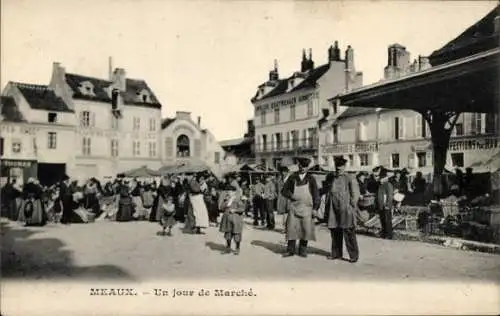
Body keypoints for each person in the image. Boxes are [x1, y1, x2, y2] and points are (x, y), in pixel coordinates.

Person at [281, 158, 320, 258]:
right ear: (298, 166)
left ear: (308, 167)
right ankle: (290, 250)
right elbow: (284, 191)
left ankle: (302, 250)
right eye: (301, 166)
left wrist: (315, 208)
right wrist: (291, 195)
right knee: (291, 228)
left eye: (305, 167)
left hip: (307, 208)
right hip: (294, 207)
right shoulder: (292, 177)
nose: (303, 168)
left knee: (305, 229)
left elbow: (316, 194)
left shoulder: (311, 179)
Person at [326, 157, 360, 262]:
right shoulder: (332, 178)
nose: (338, 170)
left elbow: (355, 194)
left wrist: (351, 207)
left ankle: (353, 255)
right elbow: (329, 192)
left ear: (344, 167)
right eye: (337, 168)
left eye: (340, 168)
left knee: (349, 231)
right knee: (335, 230)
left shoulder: (349, 178)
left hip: (346, 209)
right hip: (334, 209)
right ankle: (336, 253)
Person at [219, 184, 245, 255]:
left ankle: (237, 248)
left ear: (234, 192)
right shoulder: (226, 199)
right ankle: (228, 247)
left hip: (236, 219)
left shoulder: (238, 199)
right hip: (227, 219)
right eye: (227, 192)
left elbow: (242, 209)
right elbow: (221, 207)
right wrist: (226, 202)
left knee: (236, 233)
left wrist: (235, 210)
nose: (228, 193)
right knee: (228, 233)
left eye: (230, 191)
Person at [376, 168, 394, 239]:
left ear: (385, 178)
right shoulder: (380, 185)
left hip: (386, 206)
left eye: (381, 178)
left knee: (387, 221)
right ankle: (384, 233)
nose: (380, 179)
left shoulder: (388, 185)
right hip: (381, 205)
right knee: (383, 220)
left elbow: (389, 196)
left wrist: (387, 205)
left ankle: (389, 234)